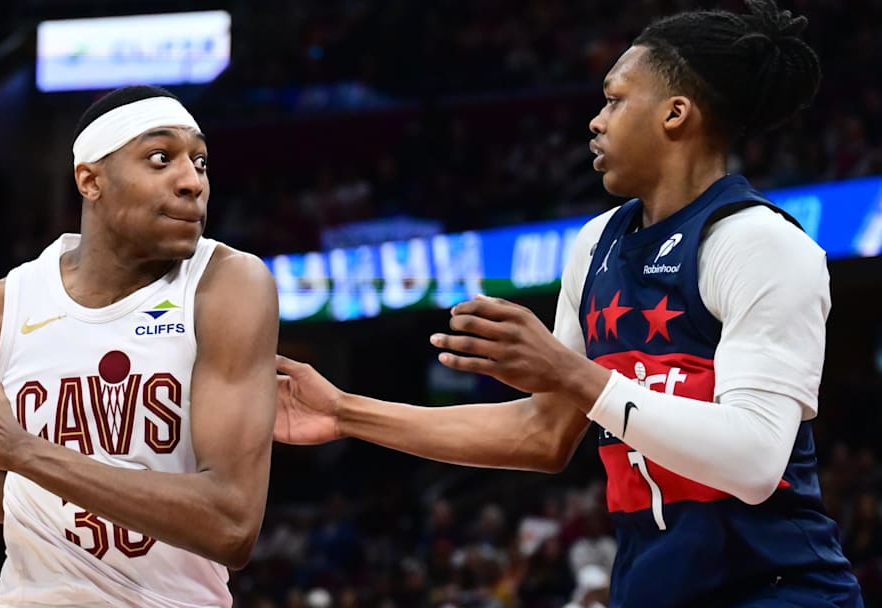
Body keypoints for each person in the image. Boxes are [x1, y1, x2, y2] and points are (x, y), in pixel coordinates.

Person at [273, 1, 863, 606]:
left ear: (675, 113)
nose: (596, 122)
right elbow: (543, 432)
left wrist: (569, 372)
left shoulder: (758, 243)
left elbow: (755, 462)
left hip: (779, 590)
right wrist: (346, 412)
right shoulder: (596, 244)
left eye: (615, 99)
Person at [0, 85, 280, 607]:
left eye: (200, 162)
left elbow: (230, 523)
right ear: (90, 180)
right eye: (160, 158)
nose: (192, 181)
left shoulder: (226, 285)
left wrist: (23, 449)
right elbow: (6, 488)